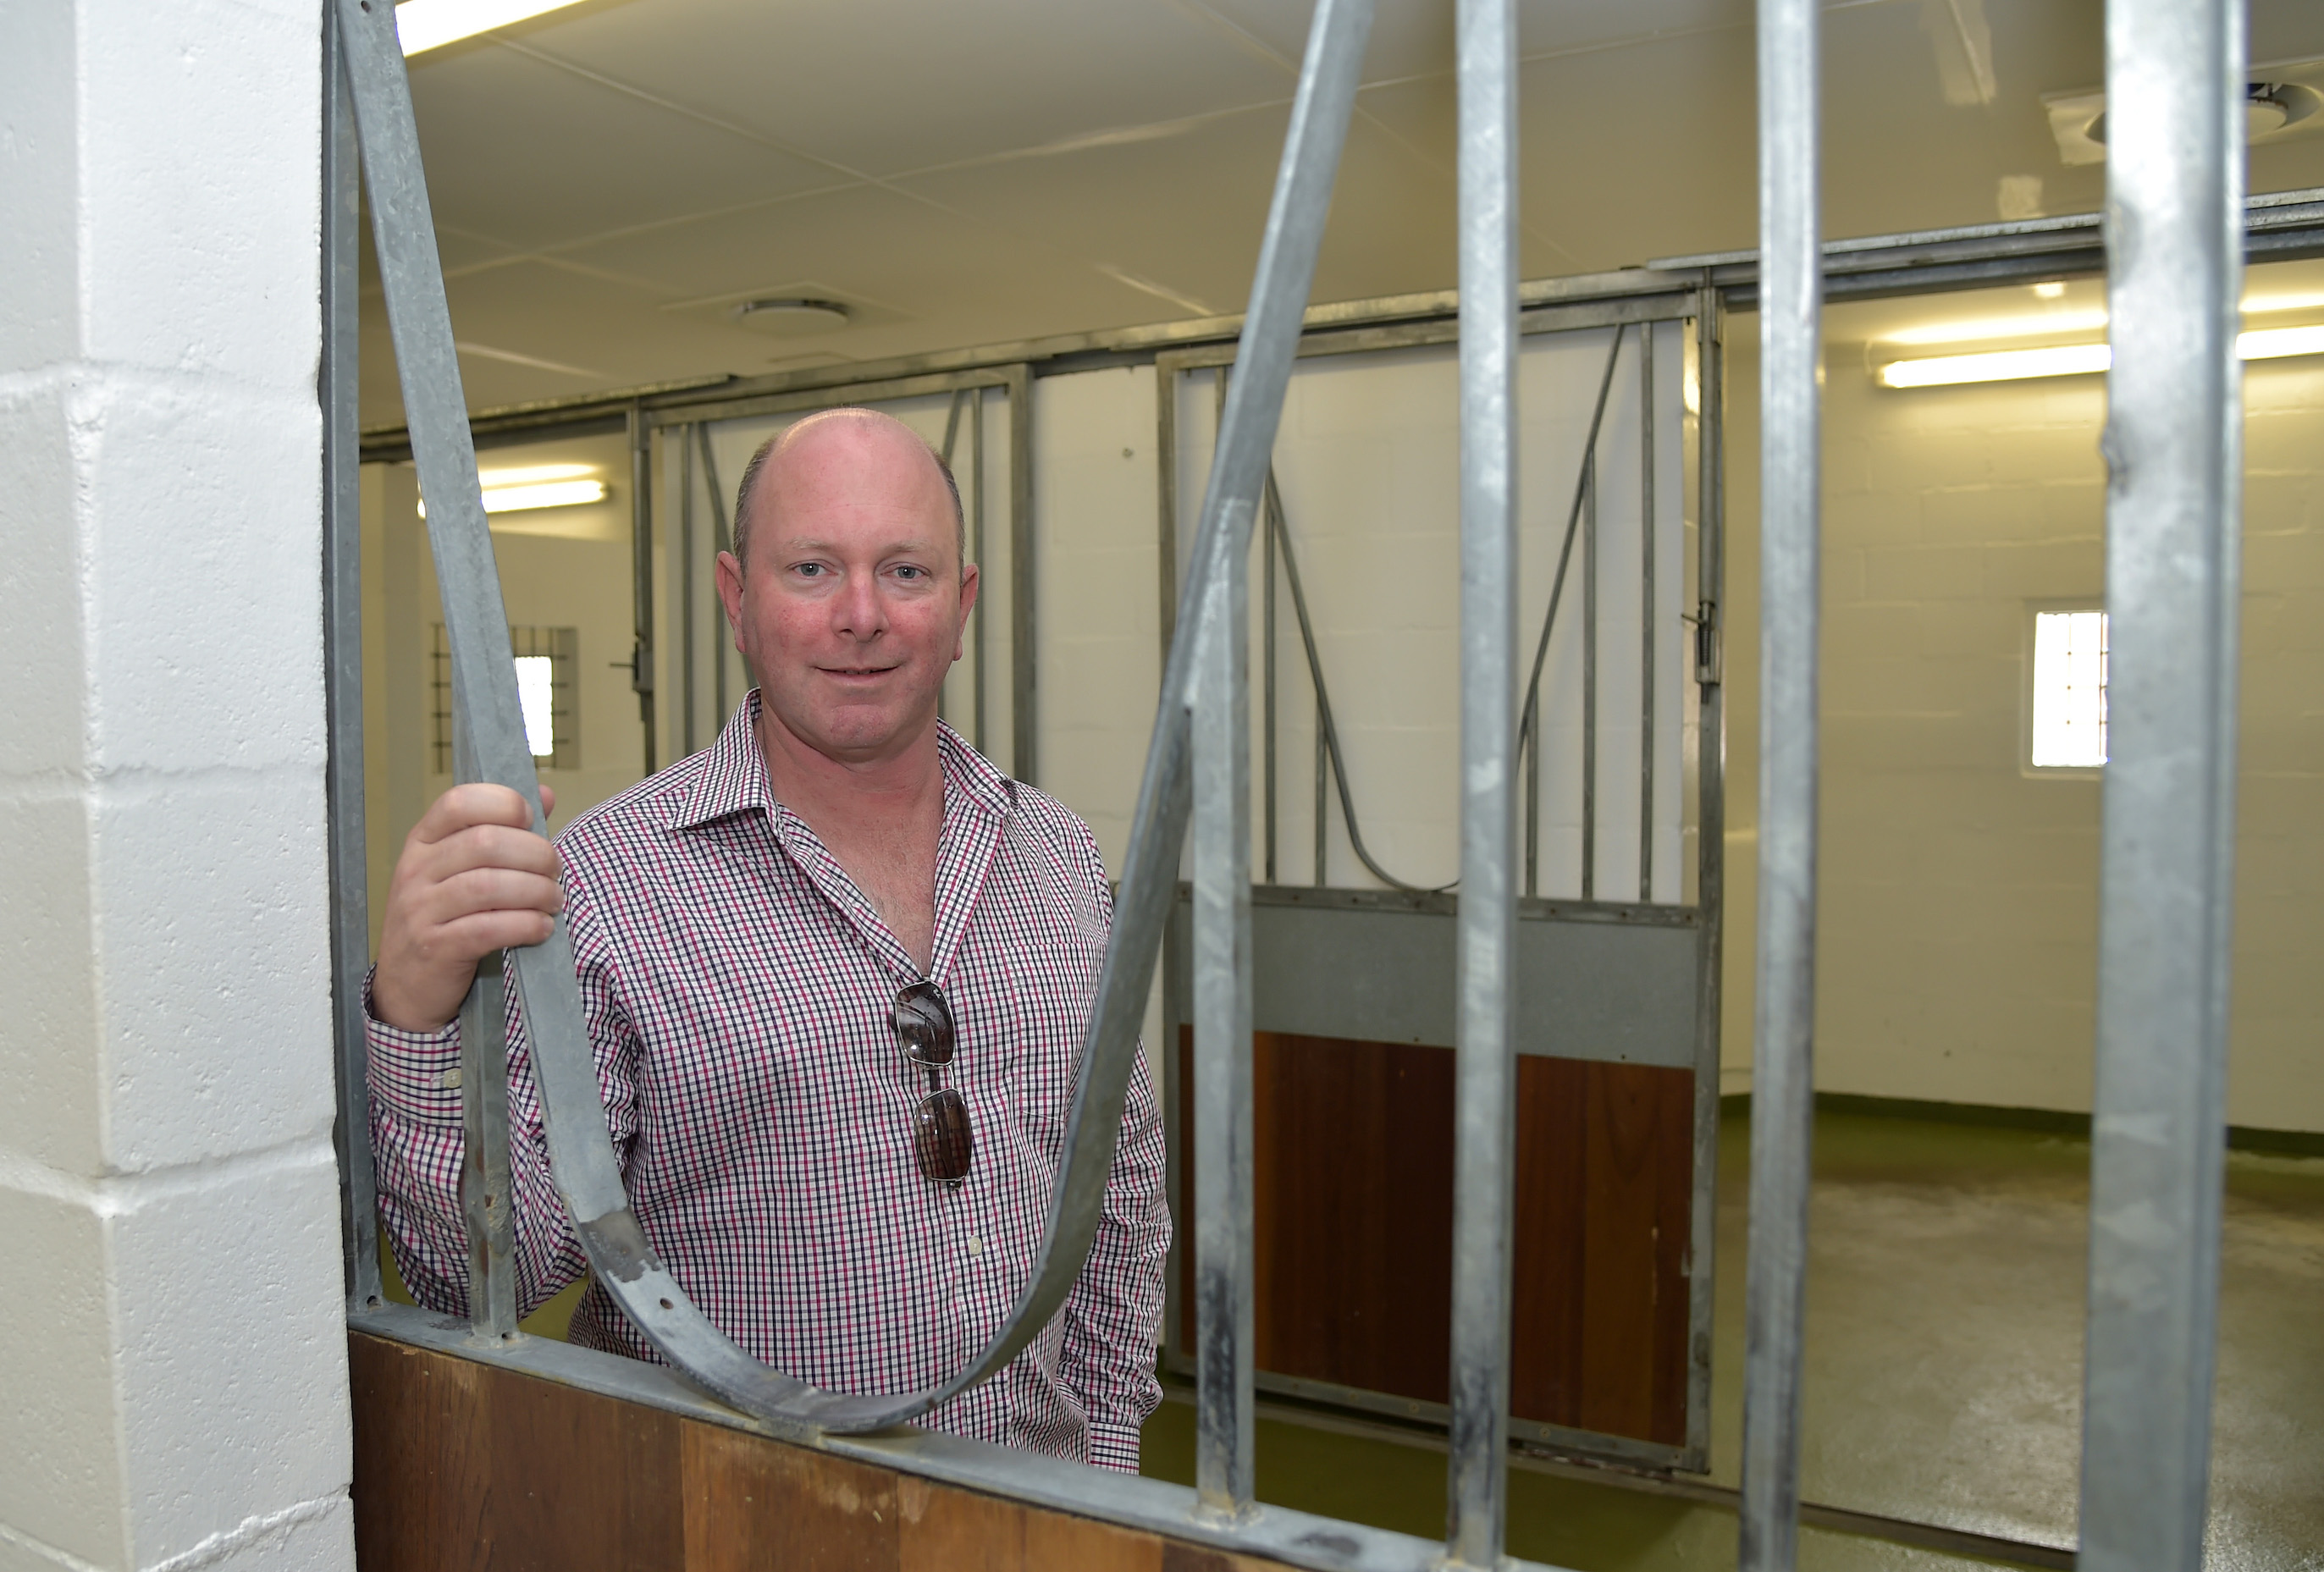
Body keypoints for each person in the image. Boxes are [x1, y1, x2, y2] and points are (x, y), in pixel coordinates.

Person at [364, 408, 1169, 1471]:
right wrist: (417, 1010)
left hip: (1039, 1516)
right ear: (738, 600)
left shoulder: (1054, 856)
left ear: (963, 605)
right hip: (732, 1516)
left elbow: (1117, 1192)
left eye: (907, 572)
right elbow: (475, 1274)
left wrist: (1103, 1464)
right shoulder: (607, 888)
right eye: (811, 569)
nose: (862, 615)